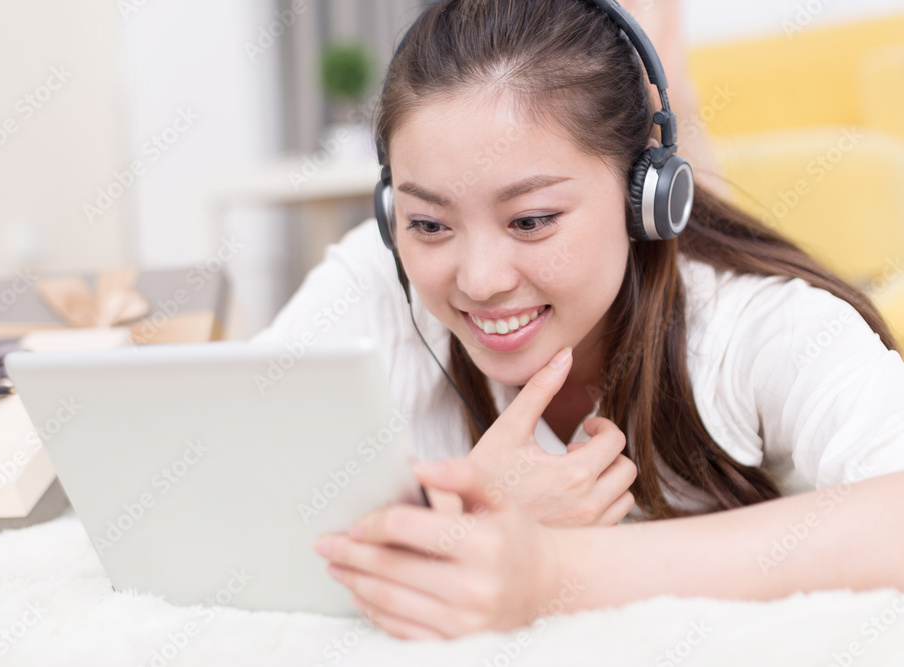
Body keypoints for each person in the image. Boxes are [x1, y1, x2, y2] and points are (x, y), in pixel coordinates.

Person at [251, 0, 904, 640]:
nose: (479, 279)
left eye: (531, 220)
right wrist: (469, 514)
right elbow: (221, 477)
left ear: (642, 197)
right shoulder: (375, 274)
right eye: (428, 223)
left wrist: (548, 569)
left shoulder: (761, 328)